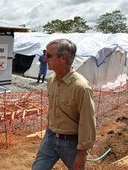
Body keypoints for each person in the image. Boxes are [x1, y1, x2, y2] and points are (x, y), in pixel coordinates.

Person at [32, 39, 96, 170]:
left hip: (71, 143)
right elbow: (52, 108)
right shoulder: (51, 80)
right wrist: (49, 129)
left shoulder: (81, 87)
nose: (45, 58)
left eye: (49, 55)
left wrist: (82, 153)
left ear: (63, 58)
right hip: (50, 137)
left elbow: (87, 122)